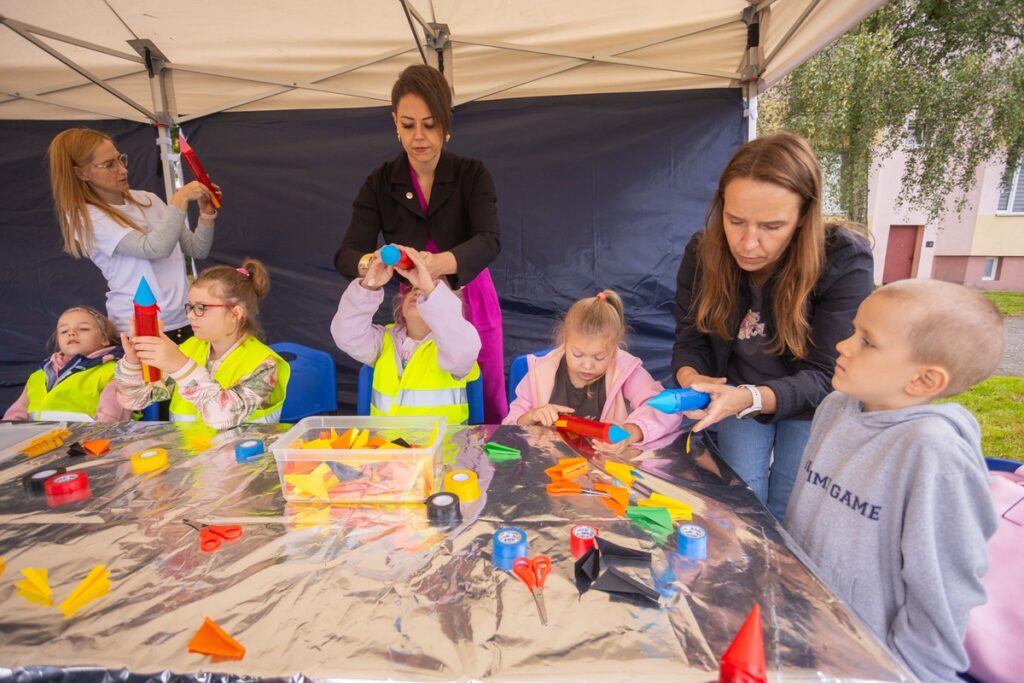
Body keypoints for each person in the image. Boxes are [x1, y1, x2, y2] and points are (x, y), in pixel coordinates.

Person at [784, 280, 1002, 682]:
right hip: (807, 630)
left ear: (924, 380)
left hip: (873, 665)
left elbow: (942, 592)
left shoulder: (933, 452)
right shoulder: (836, 407)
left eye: (867, 342)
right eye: (853, 331)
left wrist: (908, 672)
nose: (842, 345)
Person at [672, 133, 873, 520]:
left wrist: (750, 397)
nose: (748, 244)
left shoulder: (844, 259)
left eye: (772, 226)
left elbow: (828, 373)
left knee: (793, 502)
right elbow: (690, 338)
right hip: (737, 392)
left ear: (803, 218)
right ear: (721, 206)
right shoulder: (703, 252)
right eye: (735, 221)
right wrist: (691, 378)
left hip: (812, 400)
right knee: (744, 500)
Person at [334, 64, 506, 423]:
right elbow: (347, 254)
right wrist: (372, 266)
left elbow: (489, 241)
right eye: (408, 124)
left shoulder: (472, 173)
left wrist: (437, 265)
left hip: (471, 296)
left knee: (484, 392)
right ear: (394, 122)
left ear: (446, 123)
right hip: (414, 299)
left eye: (429, 124)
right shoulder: (380, 182)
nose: (419, 137)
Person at [48, 127, 220, 341]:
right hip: (141, 327)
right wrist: (180, 199)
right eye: (109, 165)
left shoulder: (148, 199)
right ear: (80, 173)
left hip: (185, 318)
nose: (122, 170)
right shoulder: (86, 218)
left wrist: (206, 214)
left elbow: (197, 249)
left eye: (120, 160)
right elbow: (155, 248)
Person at [114, 259, 289, 429]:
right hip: (190, 448)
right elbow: (134, 400)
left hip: (245, 449)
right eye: (190, 307)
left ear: (235, 313)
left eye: (201, 308)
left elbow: (222, 418)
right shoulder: (189, 349)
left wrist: (181, 367)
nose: (190, 315)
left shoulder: (264, 364)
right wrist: (133, 364)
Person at [504, 290, 681, 453]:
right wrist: (531, 416)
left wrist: (629, 433)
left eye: (599, 357)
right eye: (577, 354)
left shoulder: (625, 371)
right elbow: (507, 428)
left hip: (604, 467)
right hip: (549, 465)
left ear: (615, 348)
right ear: (565, 340)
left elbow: (667, 410)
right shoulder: (541, 371)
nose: (587, 366)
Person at [332, 246, 480, 425]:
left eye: (426, 293)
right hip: (386, 441)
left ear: (448, 305)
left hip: (442, 442)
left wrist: (430, 288)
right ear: (400, 306)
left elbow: (461, 345)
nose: (417, 291)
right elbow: (346, 335)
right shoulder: (384, 342)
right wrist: (369, 286)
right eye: (414, 287)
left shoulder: (454, 347)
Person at [3, 306, 129, 422]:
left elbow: (112, 417)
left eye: (83, 329)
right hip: (37, 438)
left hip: (83, 438)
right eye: (64, 331)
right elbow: (17, 412)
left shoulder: (116, 371)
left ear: (104, 339)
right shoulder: (39, 374)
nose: (71, 333)